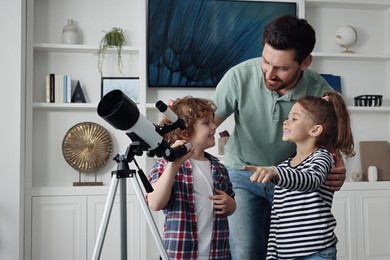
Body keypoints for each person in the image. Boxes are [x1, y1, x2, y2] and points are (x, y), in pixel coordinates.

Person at [212, 14, 347, 259]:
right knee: (245, 252)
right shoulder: (239, 76)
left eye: (282, 68)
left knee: (294, 250)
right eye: (266, 61)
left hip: (292, 181)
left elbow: (330, 146)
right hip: (244, 175)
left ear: (305, 62)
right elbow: (207, 126)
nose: (269, 73)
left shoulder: (320, 91)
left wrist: (338, 166)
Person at [245, 92, 355, 259]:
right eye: (288, 117)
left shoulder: (322, 157)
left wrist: (275, 172)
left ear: (315, 129)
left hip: (317, 252)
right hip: (284, 255)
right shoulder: (284, 166)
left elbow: (310, 180)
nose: (286, 121)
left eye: (294, 118)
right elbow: (277, 217)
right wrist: (272, 255)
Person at [147, 96, 236, 260]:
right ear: (185, 132)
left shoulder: (219, 169)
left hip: (217, 254)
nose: (214, 126)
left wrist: (231, 205)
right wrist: (172, 165)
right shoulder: (164, 166)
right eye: (207, 122)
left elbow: (229, 204)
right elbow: (155, 203)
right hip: (180, 254)